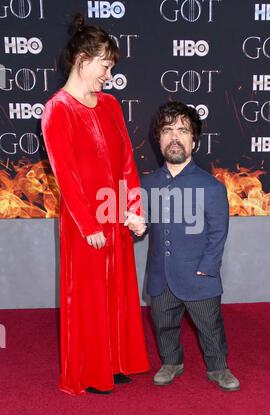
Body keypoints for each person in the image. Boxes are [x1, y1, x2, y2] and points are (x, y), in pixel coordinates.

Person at [41, 14, 149, 395]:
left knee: (117, 292)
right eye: (105, 65)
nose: (109, 73)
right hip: (83, 220)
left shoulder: (111, 105)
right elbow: (66, 177)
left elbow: (126, 163)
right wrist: (89, 226)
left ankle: (114, 362)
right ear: (83, 59)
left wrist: (133, 210)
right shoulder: (57, 109)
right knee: (87, 295)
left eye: (111, 67)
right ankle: (89, 372)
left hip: (116, 212)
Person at [141, 102, 240, 391]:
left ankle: (218, 367)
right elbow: (141, 226)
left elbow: (218, 232)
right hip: (160, 275)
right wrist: (135, 224)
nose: (174, 137)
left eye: (183, 130)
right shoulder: (146, 185)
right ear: (158, 140)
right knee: (163, 324)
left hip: (200, 276)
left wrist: (207, 269)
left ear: (194, 141)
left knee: (210, 327)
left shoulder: (211, 187)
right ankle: (172, 362)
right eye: (167, 130)